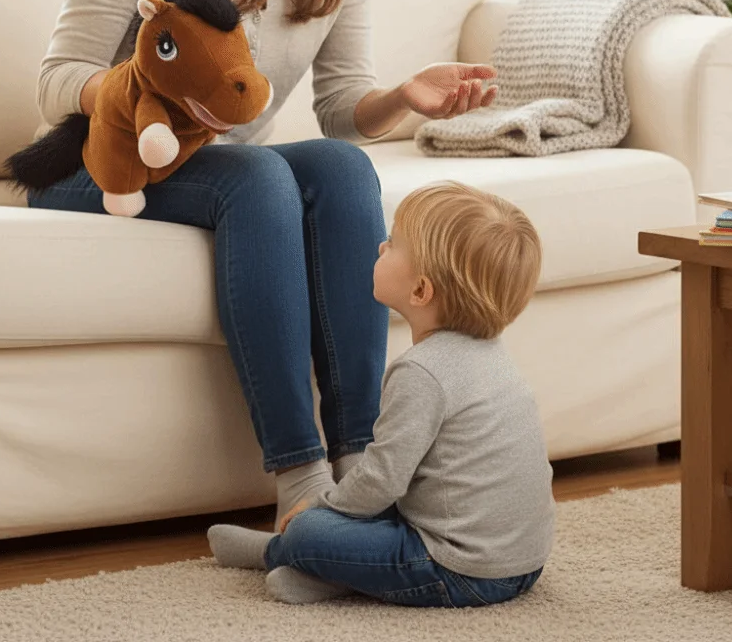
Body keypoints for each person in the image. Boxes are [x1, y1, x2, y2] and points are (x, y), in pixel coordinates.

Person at [28, 0, 499, 530]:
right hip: (99, 165)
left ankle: (363, 465)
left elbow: (340, 104)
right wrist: (149, 96)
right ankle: (299, 482)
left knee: (341, 169)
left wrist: (403, 96)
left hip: (221, 167)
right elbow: (56, 81)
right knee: (258, 175)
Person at [208, 182, 555, 609]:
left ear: (420, 291)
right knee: (374, 513)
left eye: (392, 243)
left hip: (457, 570)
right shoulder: (495, 357)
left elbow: (381, 479)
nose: (379, 247)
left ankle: (274, 554)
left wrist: (320, 506)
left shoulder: (421, 372)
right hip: (525, 564)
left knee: (309, 530)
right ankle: (332, 577)